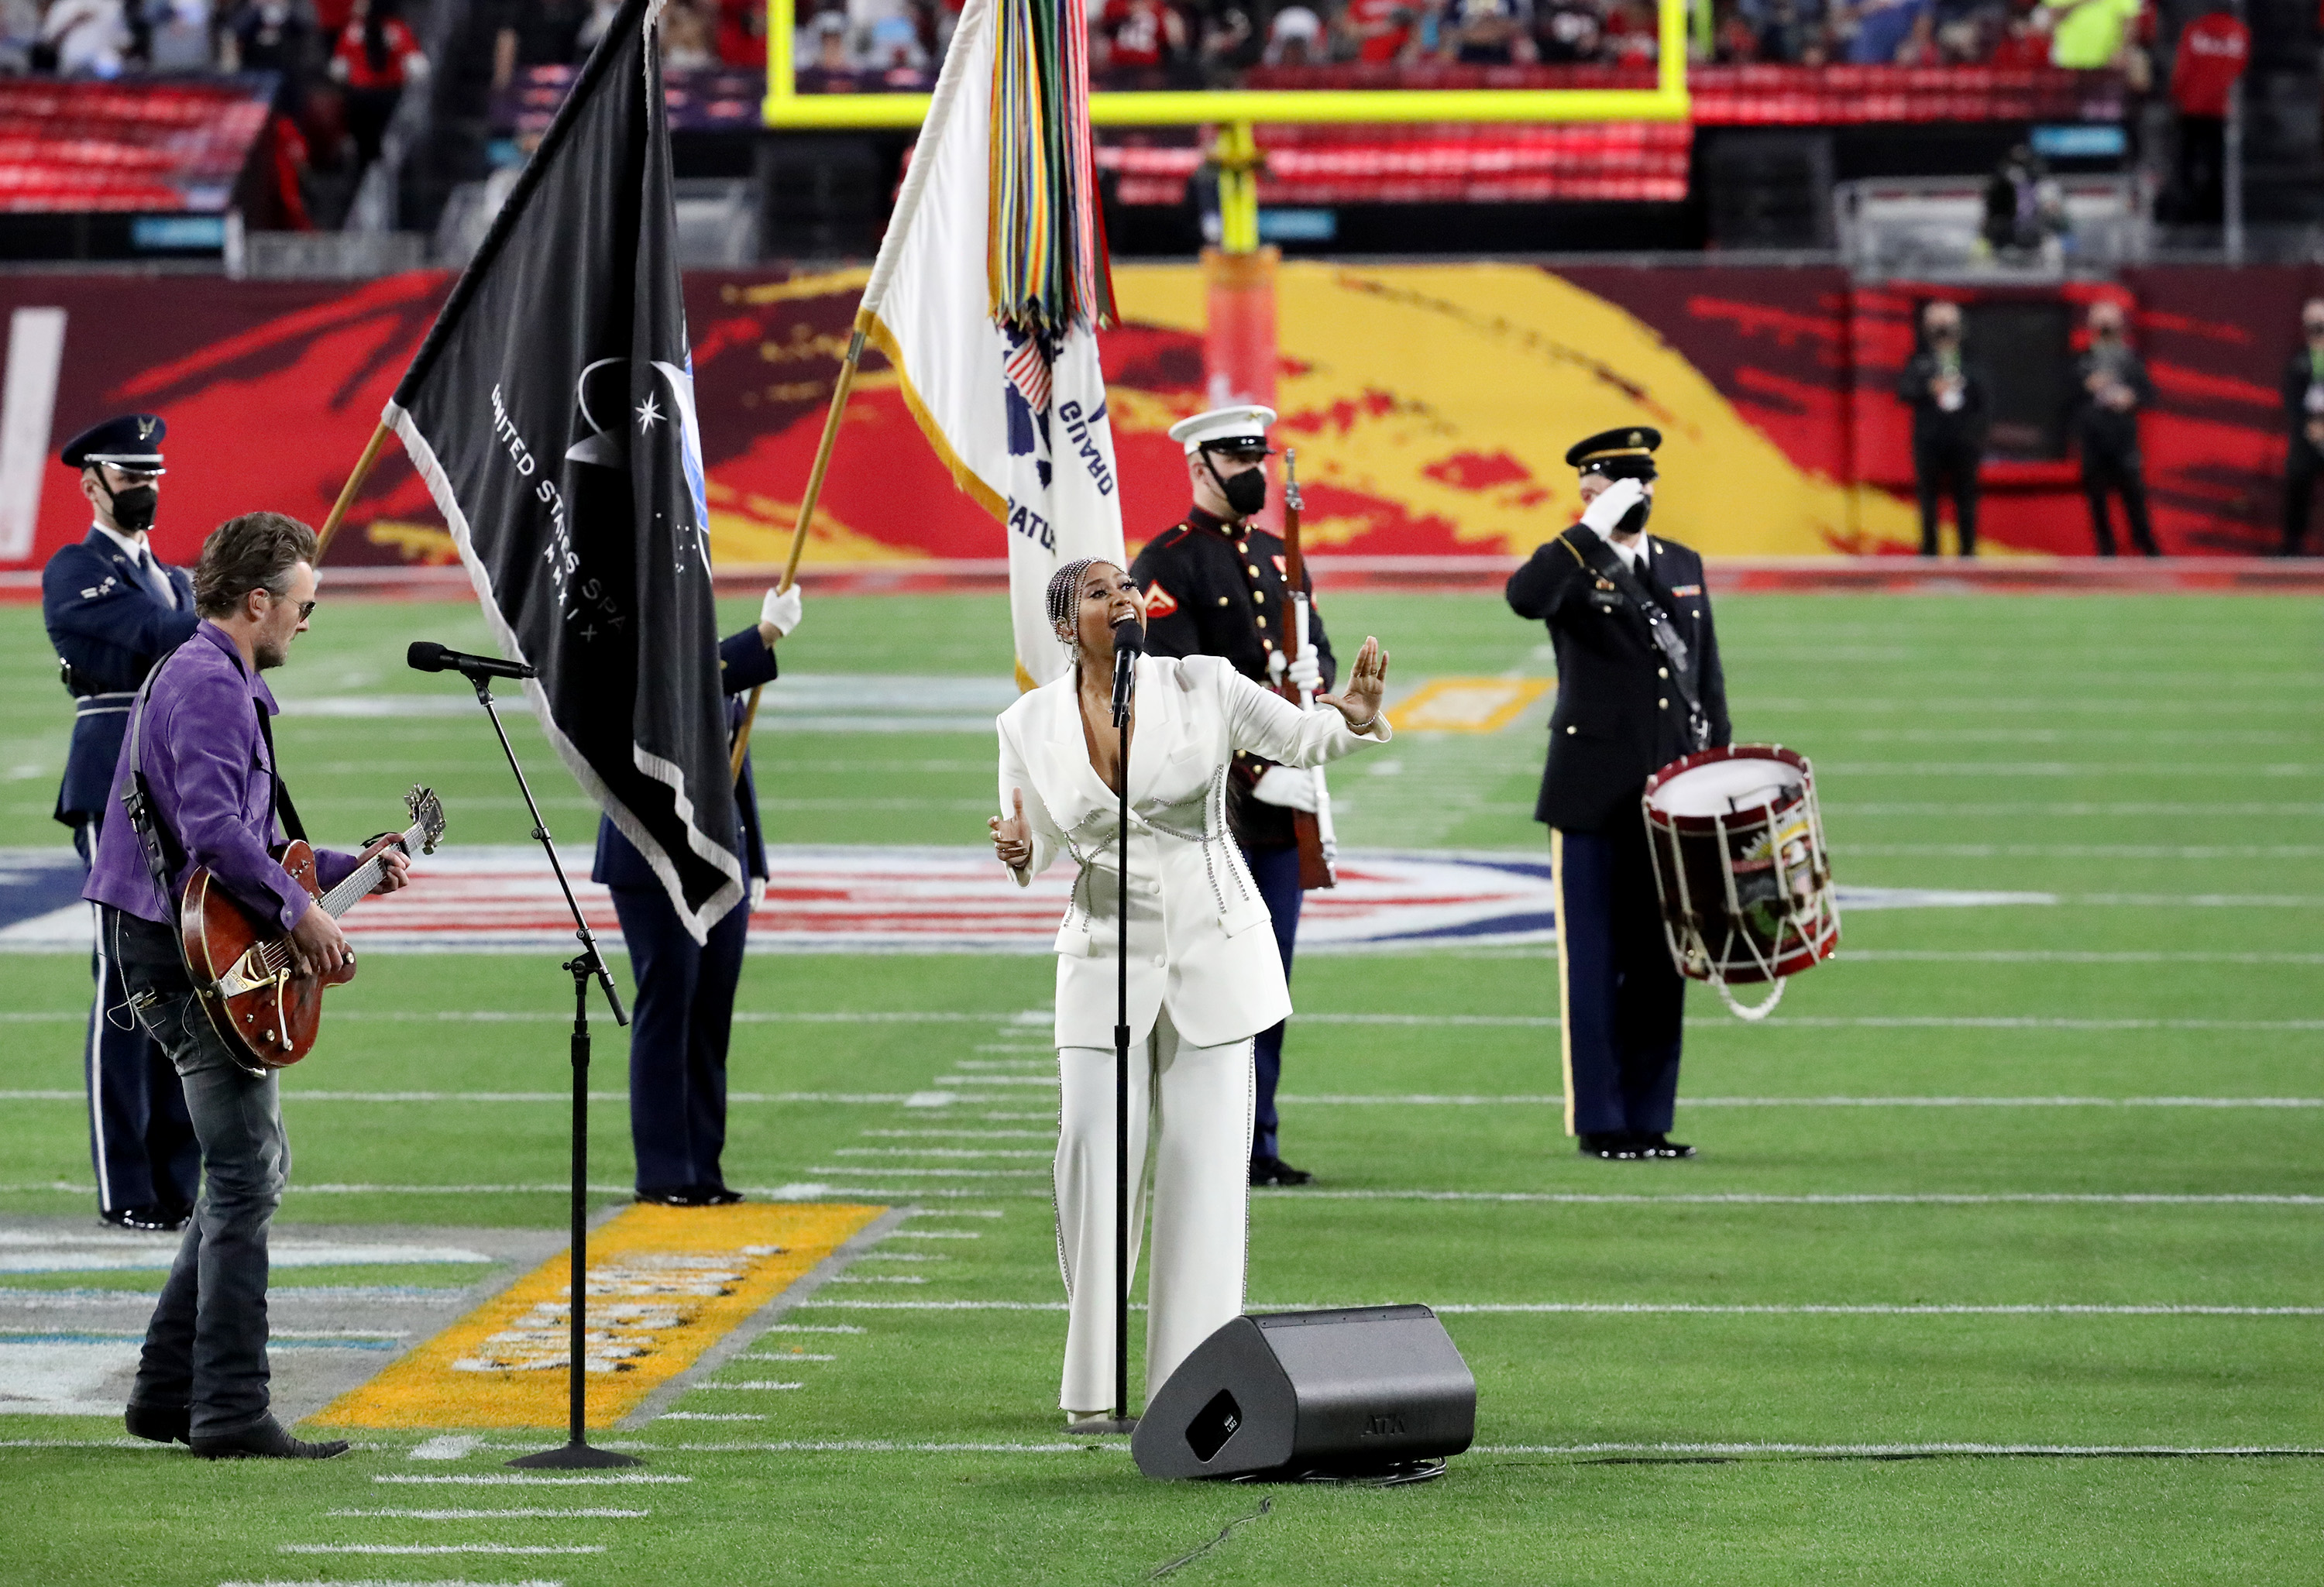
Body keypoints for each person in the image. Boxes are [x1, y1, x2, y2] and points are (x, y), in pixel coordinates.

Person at [991, 559, 1391, 1424]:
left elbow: (1299, 738)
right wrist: (1023, 854)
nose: (1122, 600)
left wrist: (1349, 720)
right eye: (1098, 593)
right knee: (1094, 1160)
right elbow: (1041, 840)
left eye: (1127, 587)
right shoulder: (1025, 723)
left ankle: (1192, 1385)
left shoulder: (1203, 682)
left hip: (1215, 947)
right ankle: (1094, 1386)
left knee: (1205, 1174)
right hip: (1100, 960)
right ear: (1066, 625)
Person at [84, 510, 411, 1458]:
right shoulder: (211, 686)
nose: (308, 622)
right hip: (181, 955)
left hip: (174, 942)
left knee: (246, 1170)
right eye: (302, 606)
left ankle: (165, 1392)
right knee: (241, 1173)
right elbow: (219, 837)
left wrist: (352, 863)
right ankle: (226, 1410)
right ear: (258, 600)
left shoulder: (207, 674)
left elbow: (248, 841)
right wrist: (303, 915)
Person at [1505, 426, 1730, 1162]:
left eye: (1635, 486)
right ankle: (1602, 1122)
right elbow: (1524, 597)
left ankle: (1650, 1118)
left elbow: (1707, 685)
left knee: (1666, 965)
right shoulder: (1572, 565)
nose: (1625, 499)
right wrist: (1588, 530)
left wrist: (1718, 780)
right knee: (1596, 966)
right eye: (1607, 488)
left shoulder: (1683, 565)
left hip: (1674, 802)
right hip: (1592, 797)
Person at [1129, 404, 1332, 1189]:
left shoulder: (1282, 557)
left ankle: (1257, 1141)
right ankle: (1197, 1139)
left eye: (1258, 460)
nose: (1252, 475)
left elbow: (1319, 649)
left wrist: (1316, 680)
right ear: (1198, 468)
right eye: (1237, 462)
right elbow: (1171, 686)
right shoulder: (1167, 565)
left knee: (1269, 979)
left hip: (1280, 810)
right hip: (1209, 809)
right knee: (1206, 980)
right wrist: (1256, 752)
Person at [42, 415, 202, 1235]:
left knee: (186, 983)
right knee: (124, 984)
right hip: (112, 785)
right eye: (130, 475)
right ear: (93, 482)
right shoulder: (77, 570)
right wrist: (227, 607)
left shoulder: (174, 578)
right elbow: (153, 637)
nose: (146, 488)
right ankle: (127, 1183)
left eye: (154, 474)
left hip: (180, 783)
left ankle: (179, 1179)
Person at [593, 583, 801, 1207]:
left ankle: (702, 1167)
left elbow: (731, 753)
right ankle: (663, 1170)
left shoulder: (696, 648)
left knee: (711, 1013)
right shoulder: (620, 644)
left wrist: (754, 855)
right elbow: (675, 692)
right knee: (670, 1005)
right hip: (653, 855)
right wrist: (761, 638)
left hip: (719, 855)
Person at [1895, 300, 1986, 557]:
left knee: (1966, 499)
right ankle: (1929, 553)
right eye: (1938, 323)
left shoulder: (1971, 360)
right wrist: (1929, 388)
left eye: (1948, 323)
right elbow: (1904, 392)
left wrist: (1964, 385)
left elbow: (1985, 397)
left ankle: (1968, 555)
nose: (1943, 328)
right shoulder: (1918, 359)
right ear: (1927, 326)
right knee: (1928, 499)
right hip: (1929, 439)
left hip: (1964, 439)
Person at [2074, 299, 2158, 557]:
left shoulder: (2131, 359)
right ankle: (2106, 553)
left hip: (2123, 439)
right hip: (2093, 440)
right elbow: (2064, 397)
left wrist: (2130, 398)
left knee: (2134, 498)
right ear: (2091, 324)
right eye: (2101, 320)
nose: (2106, 325)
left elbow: (2149, 393)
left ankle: (2147, 549)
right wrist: (2086, 387)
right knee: (2098, 502)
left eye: (2110, 319)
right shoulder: (2082, 359)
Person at [2166, 4, 2248, 226]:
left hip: (2191, 105)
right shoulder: (2239, 31)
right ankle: (2215, 211)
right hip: (2221, 108)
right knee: (2217, 163)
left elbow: (2182, 68)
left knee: (2186, 161)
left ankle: (2185, 211)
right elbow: (2241, 68)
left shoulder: (2195, 29)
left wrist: (2176, 94)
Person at [328, 0, 428, 179]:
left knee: (365, 145)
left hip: (361, 96)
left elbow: (338, 70)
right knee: (386, 143)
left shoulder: (352, 31)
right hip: (389, 96)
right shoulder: (398, 30)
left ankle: (364, 173)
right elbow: (418, 67)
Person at [2280, 300, 2324, 557]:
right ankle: (2293, 548)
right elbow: (2292, 400)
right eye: (2313, 326)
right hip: (2306, 438)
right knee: (2298, 488)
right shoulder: (2298, 361)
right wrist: (2310, 426)